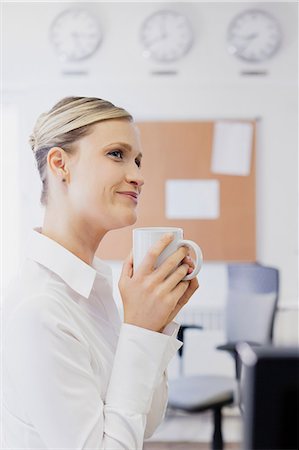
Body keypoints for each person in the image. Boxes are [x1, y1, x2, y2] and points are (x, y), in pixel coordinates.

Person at [3, 96, 199, 449]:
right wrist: (139, 329)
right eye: (117, 154)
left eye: (138, 160)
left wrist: (155, 327)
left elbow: (146, 422)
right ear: (60, 164)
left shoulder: (95, 291)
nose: (137, 176)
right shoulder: (40, 311)